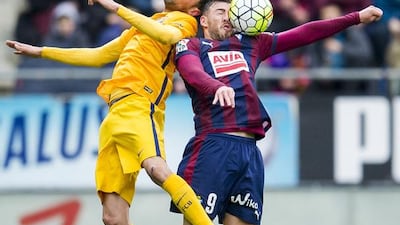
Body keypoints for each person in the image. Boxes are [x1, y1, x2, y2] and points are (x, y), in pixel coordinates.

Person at [169, 1, 383, 224]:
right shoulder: (191, 46)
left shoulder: (252, 43)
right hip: (213, 146)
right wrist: (216, 86)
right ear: (203, 20)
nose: (227, 18)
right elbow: (191, 71)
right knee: (196, 221)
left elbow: (305, 32)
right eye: (220, 12)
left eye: (230, 13)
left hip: (250, 153)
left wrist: (356, 17)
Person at [5, 0, 215, 225]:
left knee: (156, 169)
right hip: (115, 112)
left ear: (194, 10)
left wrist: (115, 7)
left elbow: (166, 36)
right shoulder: (149, 23)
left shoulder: (185, 23)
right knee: (112, 217)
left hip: (141, 105)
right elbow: (99, 55)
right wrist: (42, 52)